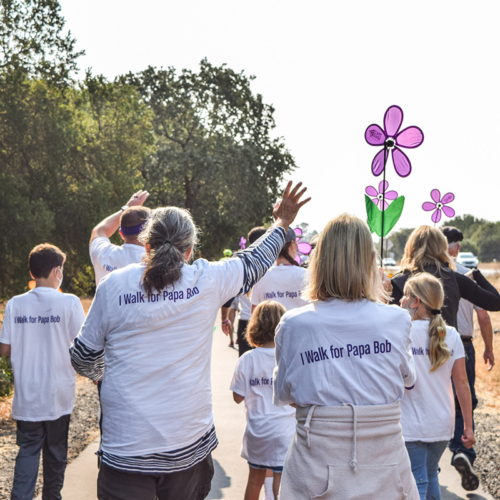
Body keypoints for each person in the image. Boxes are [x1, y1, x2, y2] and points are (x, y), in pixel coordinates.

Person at [70, 181, 310, 500]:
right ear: (189, 250)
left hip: (125, 451)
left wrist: (110, 374)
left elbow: (83, 357)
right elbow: (253, 262)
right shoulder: (206, 280)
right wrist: (282, 223)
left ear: (146, 245)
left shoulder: (113, 286)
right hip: (187, 449)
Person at [273, 214, 419, 500]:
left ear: (319, 261)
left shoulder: (294, 325)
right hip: (386, 467)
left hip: (314, 467)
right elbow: (407, 381)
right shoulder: (397, 320)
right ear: (370, 261)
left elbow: (283, 395)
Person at [0, 244, 85, 500]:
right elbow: (82, 347)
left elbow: (4, 349)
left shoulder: (15, 304)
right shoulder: (70, 302)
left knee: (27, 451)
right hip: (58, 395)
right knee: (56, 453)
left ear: (32, 270)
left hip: (27, 396)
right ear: (57, 270)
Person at [400, 273, 475, 500]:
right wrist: (468, 427)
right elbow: (462, 383)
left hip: (411, 424)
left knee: (418, 480)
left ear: (416, 301)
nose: (401, 300)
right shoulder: (450, 334)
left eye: (405, 296)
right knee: (431, 474)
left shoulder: (402, 332)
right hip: (442, 422)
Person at [441, 226, 495, 490]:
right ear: (458, 247)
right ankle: (462, 450)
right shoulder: (466, 275)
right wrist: (489, 347)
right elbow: (484, 316)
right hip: (463, 344)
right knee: (464, 398)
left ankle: (433, 452)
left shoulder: (429, 274)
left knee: (439, 396)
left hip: (433, 344)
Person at [230, 301, 295, 500]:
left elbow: (237, 397)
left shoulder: (247, 359)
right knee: (280, 481)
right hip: (284, 431)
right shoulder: (288, 358)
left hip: (257, 432)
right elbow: (296, 399)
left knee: (254, 481)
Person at [391, 226, 500, 330]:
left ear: (411, 248)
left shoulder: (397, 281)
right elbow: (496, 302)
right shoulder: (455, 279)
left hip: (409, 348)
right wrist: (476, 274)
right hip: (447, 345)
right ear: (442, 248)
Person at [222, 226, 268, 356]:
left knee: (245, 365)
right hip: (267, 321)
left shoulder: (242, 265)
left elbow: (229, 295)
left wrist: (224, 318)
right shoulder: (272, 265)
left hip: (246, 321)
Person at [89, 190, 150, 285]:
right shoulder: (155, 261)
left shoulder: (103, 254)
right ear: (149, 234)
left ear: (121, 233)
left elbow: (99, 230)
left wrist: (126, 208)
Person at [251, 227, 308, 313]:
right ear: (292, 245)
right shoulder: (307, 276)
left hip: (270, 327)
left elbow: (254, 314)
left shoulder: (261, 277)